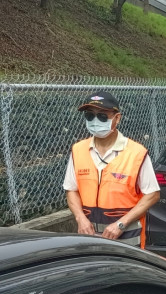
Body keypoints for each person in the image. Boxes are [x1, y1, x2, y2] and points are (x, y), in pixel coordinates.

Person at [63, 90, 160, 245]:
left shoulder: (136, 153)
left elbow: (152, 195)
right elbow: (71, 189)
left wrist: (121, 224)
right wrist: (80, 218)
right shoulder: (78, 150)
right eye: (90, 115)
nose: (95, 121)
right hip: (90, 239)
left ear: (117, 118)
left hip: (127, 240)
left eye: (102, 116)